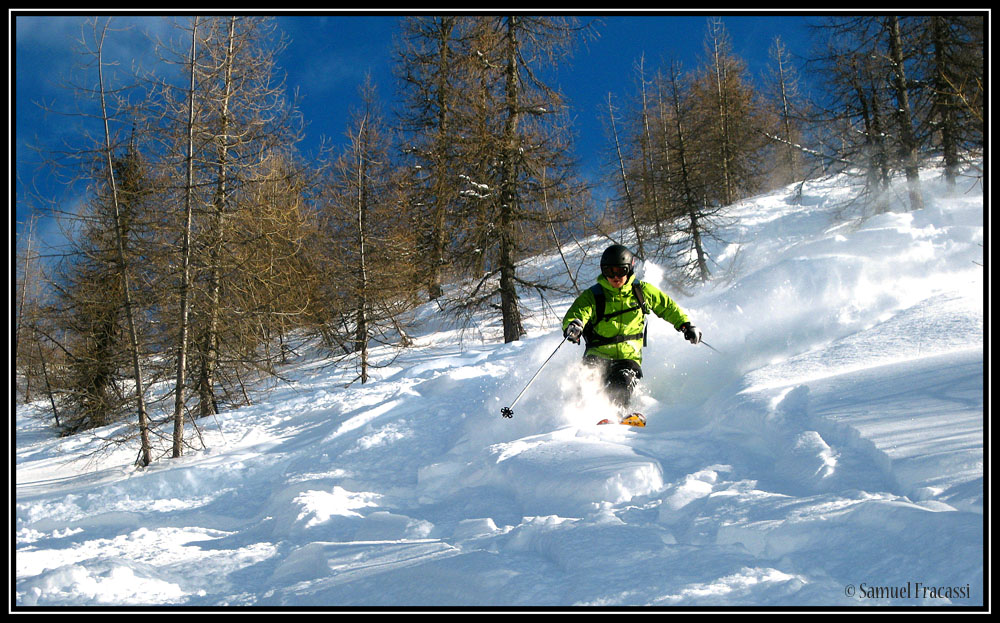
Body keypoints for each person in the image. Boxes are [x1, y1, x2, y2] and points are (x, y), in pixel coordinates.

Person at [562, 244, 701, 424]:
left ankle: (616, 416)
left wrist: (685, 325)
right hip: (597, 353)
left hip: (628, 357)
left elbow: (667, 307)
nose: (615, 277)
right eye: (609, 272)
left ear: (630, 269)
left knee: (621, 384)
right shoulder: (594, 295)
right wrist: (574, 325)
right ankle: (576, 420)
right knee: (587, 381)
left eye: (620, 271)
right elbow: (578, 312)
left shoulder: (641, 291)